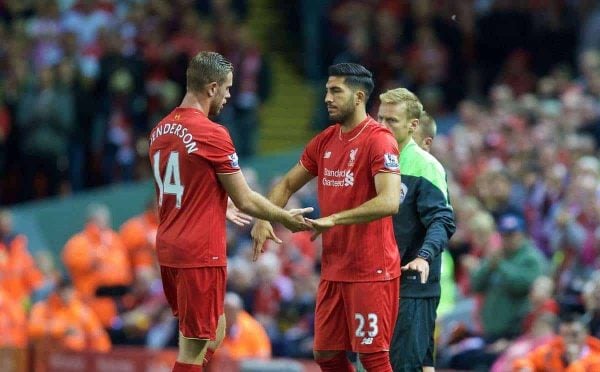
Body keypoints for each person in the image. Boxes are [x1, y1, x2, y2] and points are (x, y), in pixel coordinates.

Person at [148, 51, 312, 372]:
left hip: (169, 247)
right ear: (211, 88)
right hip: (200, 252)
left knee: (211, 330)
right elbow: (248, 199)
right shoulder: (212, 134)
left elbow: (179, 188)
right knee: (194, 347)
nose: (228, 95)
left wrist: (216, 205)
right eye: (226, 88)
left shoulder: (160, 131)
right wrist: (284, 217)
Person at [252, 62, 402, 372]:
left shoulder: (379, 140)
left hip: (370, 270)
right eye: (326, 91)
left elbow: (389, 202)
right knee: (326, 354)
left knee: (373, 358)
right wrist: (265, 217)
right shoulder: (325, 140)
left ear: (359, 97)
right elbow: (288, 183)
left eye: (336, 91)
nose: (327, 98)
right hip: (335, 269)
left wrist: (333, 220)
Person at [377, 88, 456, 372]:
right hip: (375, 282)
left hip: (411, 285)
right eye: (380, 119)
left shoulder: (425, 166)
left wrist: (424, 255)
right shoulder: (372, 161)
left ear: (413, 125)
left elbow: (443, 220)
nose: (382, 127)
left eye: (392, 121)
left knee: (403, 365)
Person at [28, 278, 111, 352]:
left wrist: (101, 359)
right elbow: (33, 329)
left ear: (74, 292)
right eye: (62, 292)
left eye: (68, 292)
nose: (65, 296)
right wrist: (63, 329)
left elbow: (98, 336)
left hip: (75, 361)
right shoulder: (43, 308)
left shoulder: (82, 312)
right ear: (56, 292)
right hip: (49, 357)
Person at [513, 313, 600, 371]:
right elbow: (527, 360)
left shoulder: (597, 361)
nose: (569, 339)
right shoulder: (552, 351)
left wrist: (574, 362)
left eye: (574, 334)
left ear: (586, 334)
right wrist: (524, 367)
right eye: (565, 335)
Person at [214, 292, 271, 361]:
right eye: (224, 311)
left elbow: (263, 356)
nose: (227, 315)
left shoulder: (252, 328)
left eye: (231, 311)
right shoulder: (212, 326)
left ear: (239, 312)